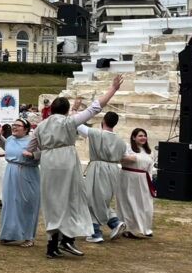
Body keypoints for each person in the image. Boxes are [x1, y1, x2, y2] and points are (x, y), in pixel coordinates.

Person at [34, 76, 123, 259]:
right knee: (73, 199)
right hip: (66, 161)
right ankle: (67, 239)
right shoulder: (69, 122)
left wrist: (35, 157)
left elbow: (31, 146)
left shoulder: (41, 125)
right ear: (66, 111)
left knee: (53, 202)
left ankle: (53, 245)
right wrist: (113, 89)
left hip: (48, 162)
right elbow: (95, 108)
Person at [77, 110, 135, 242]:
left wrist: (76, 111)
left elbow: (78, 125)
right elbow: (127, 155)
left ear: (103, 121)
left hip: (98, 167)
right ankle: (114, 222)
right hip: (114, 168)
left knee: (91, 198)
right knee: (101, 199)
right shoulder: (121, 141)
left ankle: (95, 232)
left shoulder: (97, 134)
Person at [0, 118, 41, 246]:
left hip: (27, 173)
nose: (14, 127)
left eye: (18, 125)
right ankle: (9, 234)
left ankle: (28, 237)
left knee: (27, 204)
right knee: (10, 203)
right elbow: (6, 146)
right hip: (10, 172)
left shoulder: (32, 140)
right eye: (13, 125)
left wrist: (32, 155)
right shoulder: (10, 139)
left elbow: (43, 153)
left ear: (26, 129)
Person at [117, 128, 156, 236]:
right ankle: (129, 229)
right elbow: (120, 158)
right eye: (140, 135)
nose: (143, 137)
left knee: (145, 204)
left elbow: (150, 168)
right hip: (128, 178)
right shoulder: (128, 147)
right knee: (129, 203)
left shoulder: (149, 152)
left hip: (143, 180)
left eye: (144, 135)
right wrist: (131, 158)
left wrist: (150, 183)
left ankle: (145, 228)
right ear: (134, 137)